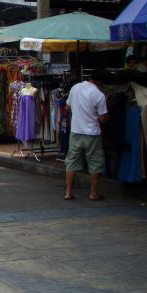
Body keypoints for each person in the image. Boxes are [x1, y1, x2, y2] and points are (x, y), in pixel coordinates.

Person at [64, 70, 109, 201]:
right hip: (92, 133)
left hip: (76, 131)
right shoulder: (98, 94)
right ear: (100, 82)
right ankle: (93, 193)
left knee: (71, 162)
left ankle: (68, 192)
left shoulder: (75, 88)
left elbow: (67, 107)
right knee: (95, 163)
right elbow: (102, 119)